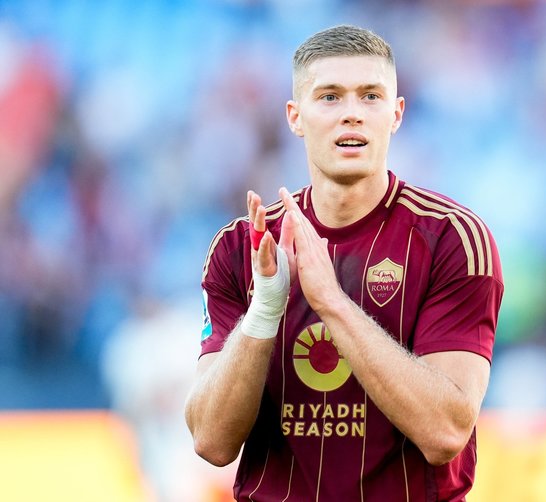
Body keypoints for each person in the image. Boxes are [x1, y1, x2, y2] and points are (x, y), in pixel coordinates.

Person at [185, 25, 504, 502]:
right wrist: (266, 308)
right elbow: (211, 442)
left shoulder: (453, 240)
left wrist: (331, 302)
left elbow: (445, 432)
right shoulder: (240, 248)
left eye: (370, 96)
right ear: (296, 117)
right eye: (330, 97)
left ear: (396, 114)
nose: (351, 113)